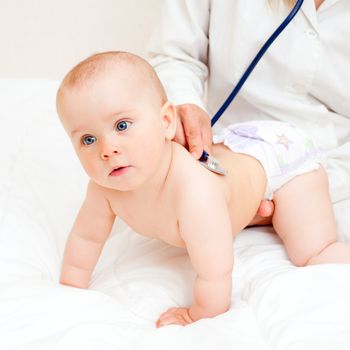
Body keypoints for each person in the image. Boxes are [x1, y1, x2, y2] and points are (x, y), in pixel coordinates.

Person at [57, 51, 350, 328]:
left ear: (166, 122)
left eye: (122, 125)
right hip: (234, 159)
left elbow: (216, 269)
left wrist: (200, 313)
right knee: (231, 198)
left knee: (309, 252)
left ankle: (304, 233)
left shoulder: (192, 190)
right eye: (88, 140)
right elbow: (87, 237)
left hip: (280, 159)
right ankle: (252, 208)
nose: (107, 150)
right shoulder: (104, 187)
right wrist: (69, 289)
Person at [147, 0, 350, 226]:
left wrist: (301, 193)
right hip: (232, 160)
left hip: (339, 177)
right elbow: (174, 55)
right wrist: (184, 103)